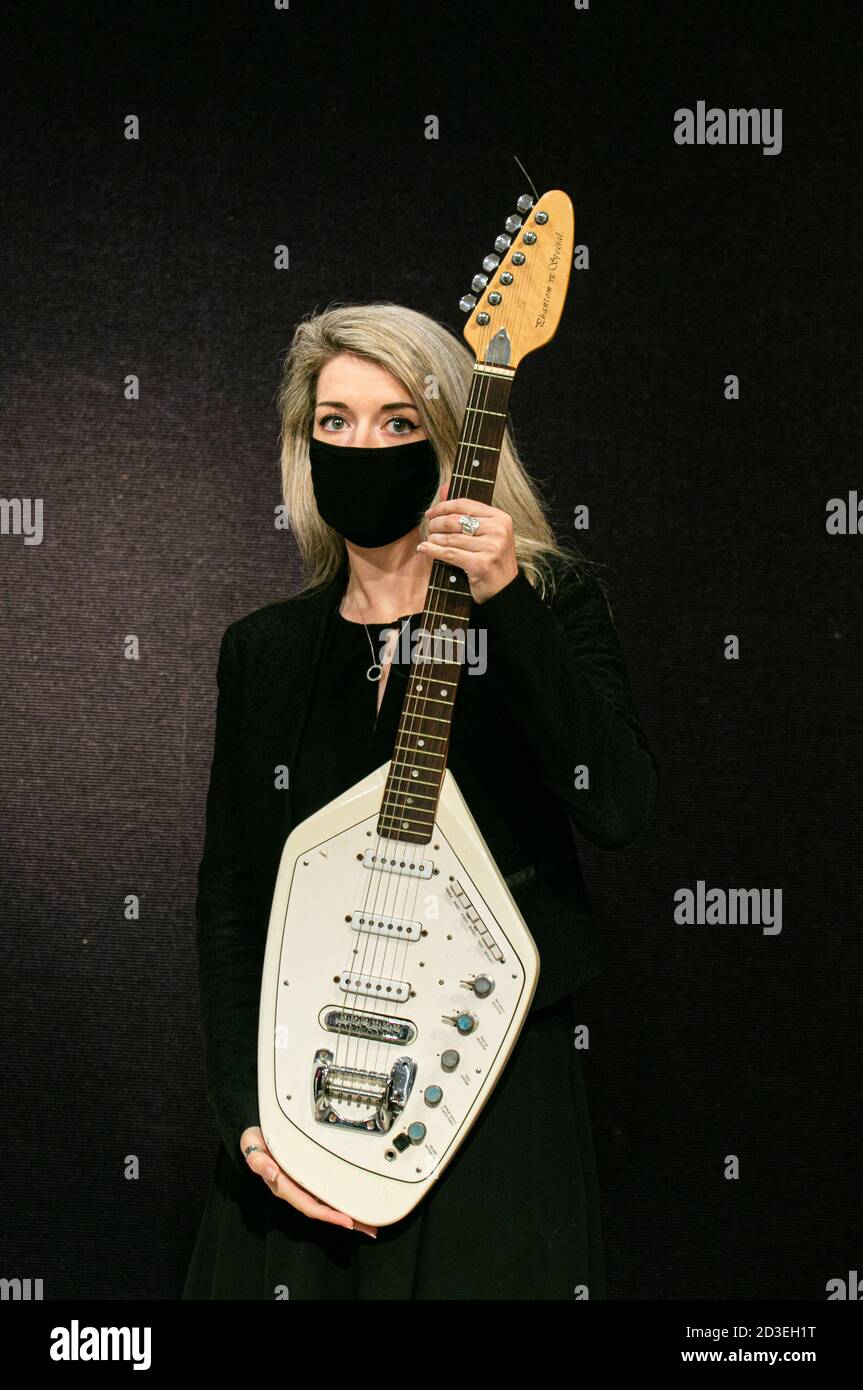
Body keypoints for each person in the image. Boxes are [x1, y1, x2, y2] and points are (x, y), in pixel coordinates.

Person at [182, 301, 658, 1300]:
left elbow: (614, 803)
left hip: (491, 1089)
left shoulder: (545, 602)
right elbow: (232, 897)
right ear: (302, 443)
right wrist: (245, 1116)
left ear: (454, 439)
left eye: (399, 421)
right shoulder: (263, 652)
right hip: (303, 1088)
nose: (365, 444)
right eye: (336, 420)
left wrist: (503, 601)